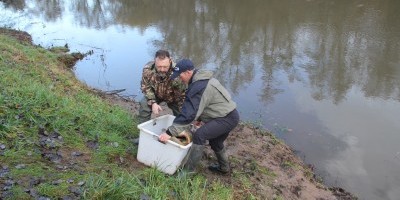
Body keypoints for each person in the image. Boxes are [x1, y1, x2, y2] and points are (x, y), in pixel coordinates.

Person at [159, 59, 240, 175]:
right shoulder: (201, 80)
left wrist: (169, 133)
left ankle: (188, 172)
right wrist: (200, 118)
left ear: (188, 72)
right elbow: (207, 102)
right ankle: (224, 168)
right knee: (216, 142)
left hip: (226, 118)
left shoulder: (198, 87)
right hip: (228, 115)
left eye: (180, 75)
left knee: (199, 135)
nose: (179, 78)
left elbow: (188, 114)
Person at [134, 50, 186, 144]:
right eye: (159, 66)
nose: (162, 69)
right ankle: (141, 137)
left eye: (165, 67)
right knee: (144, 105)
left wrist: (185, 111)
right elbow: (146, 87)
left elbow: (182, 95)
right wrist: (153, 102)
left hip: (173, 97)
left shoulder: (178, 72)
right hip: (156, 94)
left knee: (182, 114)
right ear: (155, 61)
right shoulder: (148, 69)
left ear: (170, 61)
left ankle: (180, 139)